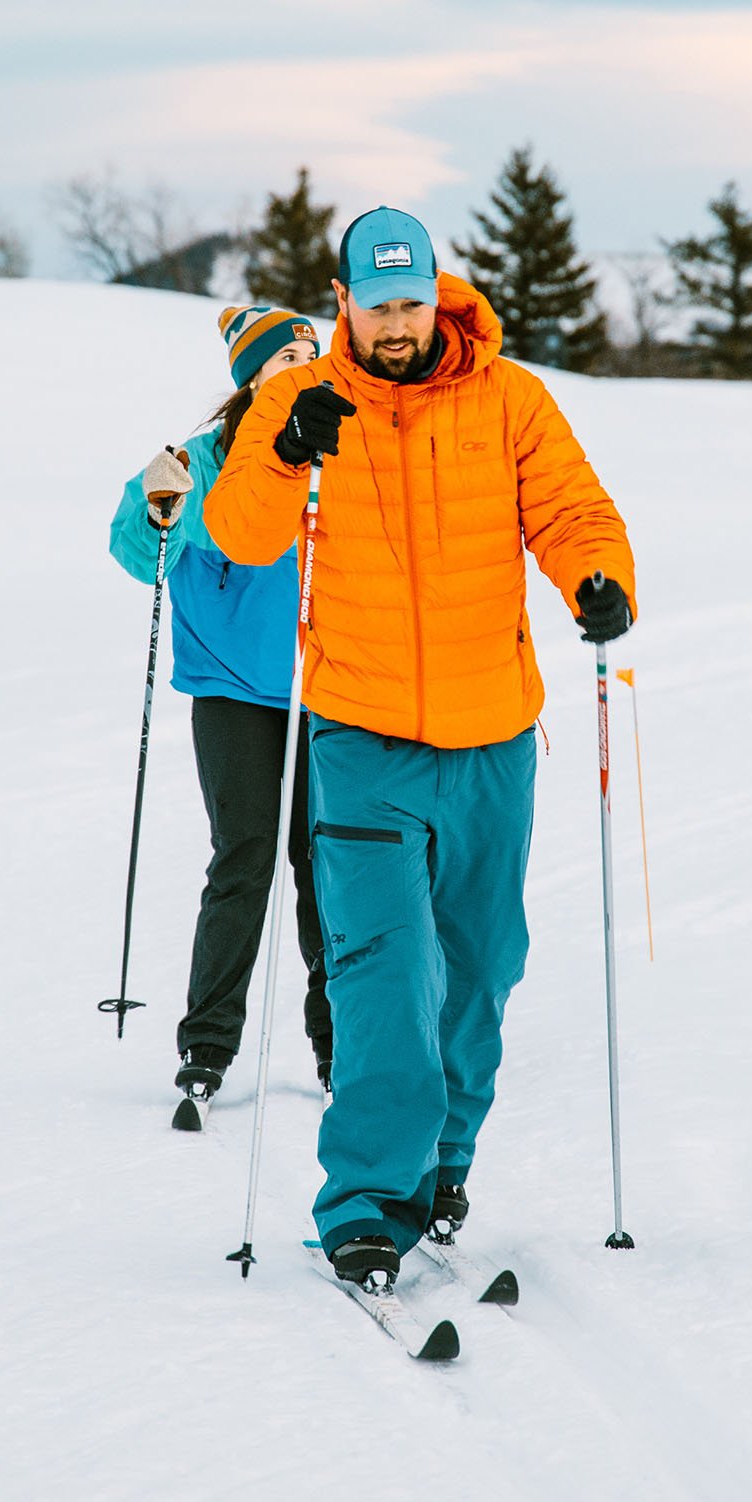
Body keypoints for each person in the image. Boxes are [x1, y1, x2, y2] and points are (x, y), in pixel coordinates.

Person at [204, 206, 635, 1291]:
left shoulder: (509, 400)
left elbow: (575, 509)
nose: (396, 326)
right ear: (339, 301)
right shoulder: (298, 399)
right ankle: (364, 1201)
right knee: (382, 977)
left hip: (493, 737)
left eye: (411, 302)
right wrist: (282, 451)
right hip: (359, 736)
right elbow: (238, 531)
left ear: (437, 291)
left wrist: (599, 579)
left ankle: (440, 1163)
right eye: (375, 305)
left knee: (481, 968)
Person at [107, 303, 333, 1109]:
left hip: (328, 688)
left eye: (312, 355)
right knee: (245, 856)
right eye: (285, 360)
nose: (303, 368)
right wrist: (151, 504)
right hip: (234, 690)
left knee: (329, 865)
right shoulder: (200, 461)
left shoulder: (334, 440)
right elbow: (139, 552)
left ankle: (338, 1048)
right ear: (251, 378)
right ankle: (207, 1044)